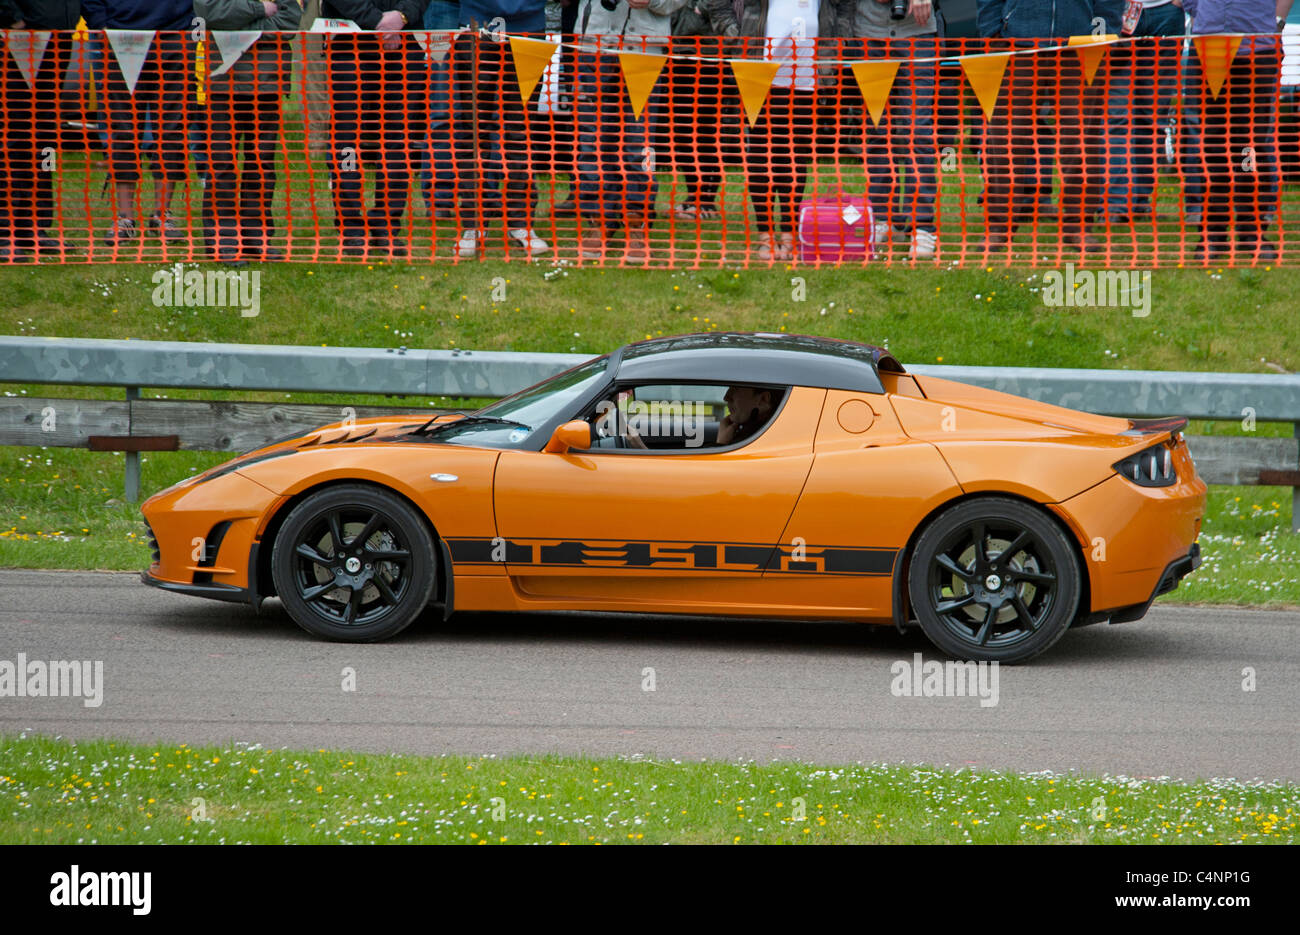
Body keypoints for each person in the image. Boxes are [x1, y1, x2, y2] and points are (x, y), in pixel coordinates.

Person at [974, 0, 1121, 253]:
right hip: (1016, 44)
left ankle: (1080, 227)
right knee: (1006, 139)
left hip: (1080, 46)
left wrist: (1102, 33)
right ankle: (998, 227)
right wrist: (992, 33)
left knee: (1081, 139)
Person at [715, 0, 851, 261]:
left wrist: (836, 41)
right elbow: (716, 4)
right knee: (761, 155)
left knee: (795, 155)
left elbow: (846, 7)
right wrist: (737, 35)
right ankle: (765, 234)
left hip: (809, 73)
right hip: (759, 69)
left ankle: (789, 232)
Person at [573, 0, 686, 264]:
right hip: (594, 43)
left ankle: (638, 223)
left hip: (645, 47)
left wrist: (652, 1)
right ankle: (599, 220)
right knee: (593, 140)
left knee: (641, 142)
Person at [194, 0, 303, 264]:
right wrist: (259, 9)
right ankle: (223, 241)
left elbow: (289, 23)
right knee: (222, 165)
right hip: (224, 82)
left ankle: (258, 238)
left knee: (262, 164)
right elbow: (209, 13)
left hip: (267, 84)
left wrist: (239, 27)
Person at [82, 0, 196, 248]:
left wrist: (190, 23)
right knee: (121, 129)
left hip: (175, 37)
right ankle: (125, 219)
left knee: (172, 130)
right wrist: (101, 24)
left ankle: (162, 216)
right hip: (119, 37)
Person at [321, 0, 430, 257]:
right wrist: (378, 22)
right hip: (350, 43)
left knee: (397, 141)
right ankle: (351, 227)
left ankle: (387, 225)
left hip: (405, 43)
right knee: (347, 142)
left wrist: (402, 17)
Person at [1183, 0, 1288, 261]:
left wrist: (1274, 24)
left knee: (1249, 147)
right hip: (1210, 46)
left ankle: (1252, 232)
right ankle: (1211, 234)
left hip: (1257, 46)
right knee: (1212, 147)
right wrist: (1205, 16)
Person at [449, 0, 550, 258]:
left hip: (530, 31)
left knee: (521, 131)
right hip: (476, 26)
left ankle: (521, 223)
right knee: (473, 130)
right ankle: (473, 224)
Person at [848, 0, 940, 259]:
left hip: (918, 32)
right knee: (877, 130)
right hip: (868, 32)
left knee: (918, 131)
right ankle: (880, 216)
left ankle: (921, 224)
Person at [0, 0, 80, 262]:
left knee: (45, 136)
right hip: (19, 38)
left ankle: (36, 226)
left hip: (58, 37)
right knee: (13, 136)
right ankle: (5, 230)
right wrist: (11, 17)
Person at [1103, 0, 1186, 225]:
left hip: (1167, 13)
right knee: (1116, 115)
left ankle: (1138, 200)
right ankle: (1116, 204)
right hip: (1115, 13)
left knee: (1153, 116)